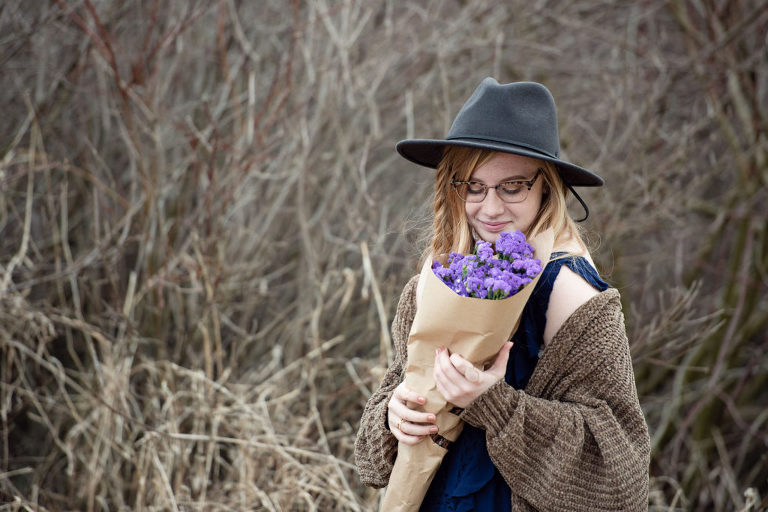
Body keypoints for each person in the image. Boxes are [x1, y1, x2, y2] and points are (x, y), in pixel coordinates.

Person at [354, 78, 650, 511]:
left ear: (547, 186)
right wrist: (393, 416)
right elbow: (371, 457)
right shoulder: (431, 285)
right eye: (473, 186)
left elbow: (620, 475)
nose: (490, 208)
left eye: (512, 186)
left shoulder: (575, 296)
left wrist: (493, 404)